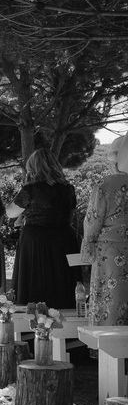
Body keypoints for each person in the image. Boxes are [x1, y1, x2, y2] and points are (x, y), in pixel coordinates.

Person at [6, 148, 81, 309]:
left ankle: (35, 327)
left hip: (36, 241)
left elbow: (10, 212)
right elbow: (70, 211)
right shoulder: (68, 189)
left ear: (33, 168)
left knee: (36, 282)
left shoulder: (31, 189)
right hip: (65, 240)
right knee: (63, 282)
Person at [81, 136, 128, 325]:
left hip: (110, 253)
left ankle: (109, 351)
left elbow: (92, 220)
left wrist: (88, 245)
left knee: (111, 303)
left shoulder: (105, 185)